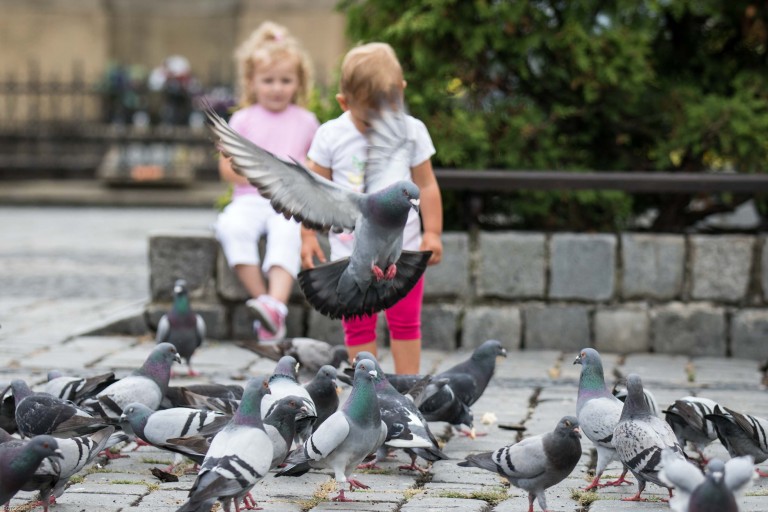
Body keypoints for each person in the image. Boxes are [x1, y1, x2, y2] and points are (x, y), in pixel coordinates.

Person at [301, 42, 443, 374]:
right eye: (369, 120)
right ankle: (367, 390)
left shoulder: (412, 132)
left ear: (401, 93)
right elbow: (311, 189)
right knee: (359, 327)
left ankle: (408, 389)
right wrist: (307, 234)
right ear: (344, 103)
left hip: (403, 253)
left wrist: (433, 232)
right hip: (351, 259)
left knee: (406, 323)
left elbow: (427, 184)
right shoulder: (330, 136)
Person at [215, 21, 319, 342]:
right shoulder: (242, 120)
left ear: (298, 82)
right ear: (252, 81)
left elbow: (316, 166)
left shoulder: (306, 121)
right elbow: (227, 169)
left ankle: (275, 305)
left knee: (287, 233)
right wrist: (259, 175)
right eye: (268, 80)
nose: (277, 88)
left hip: (287, 202)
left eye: (285, 80)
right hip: (248, 198)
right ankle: (265, 303)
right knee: (231, 228)